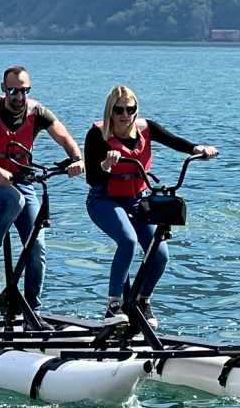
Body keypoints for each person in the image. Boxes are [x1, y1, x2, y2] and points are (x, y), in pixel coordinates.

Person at [84, 85, 217, 327]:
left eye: (130, 109)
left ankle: (141, 301)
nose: (125, 115)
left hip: (137, 197)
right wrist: (106, 164)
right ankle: (113, 305)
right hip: (104, 198)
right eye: (119, 110)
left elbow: (174, 141)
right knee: (128, 240)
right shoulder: (97, 134)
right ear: (110, 111)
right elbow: (92, 176)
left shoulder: (146, 128)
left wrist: (197, 149)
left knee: (160, 253)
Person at [0, 66, 84, 312]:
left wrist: (76, 159)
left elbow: (64, 137)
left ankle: (32, 311)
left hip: (22, 180)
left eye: (25, 90)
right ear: (3, 89)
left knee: (37, 246)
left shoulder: (37, 111)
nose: (20, 97)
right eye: (14, 91)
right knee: (14, 201)